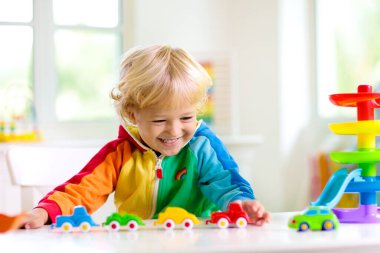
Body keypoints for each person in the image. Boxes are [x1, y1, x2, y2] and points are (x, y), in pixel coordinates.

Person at [21, 45, 271, 229]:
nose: (174, 131)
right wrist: (43, 212)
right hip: (137, 242)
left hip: (199, 240)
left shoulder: (202, 146)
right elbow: (82, 190)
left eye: (186, 118)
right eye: (160, 120)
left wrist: (241, 202)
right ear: (133, 114)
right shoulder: (119, 154)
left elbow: (226, 182)